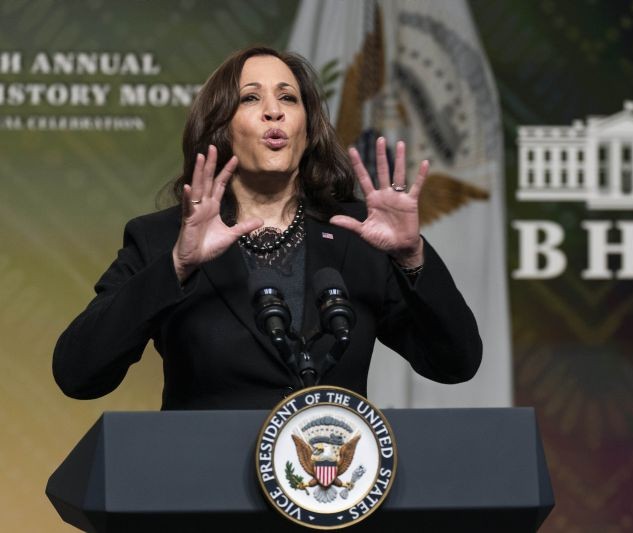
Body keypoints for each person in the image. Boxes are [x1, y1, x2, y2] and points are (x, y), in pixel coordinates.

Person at [53, 46, 481, 410]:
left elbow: (455, 363)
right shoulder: (163, 239)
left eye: (289, 98)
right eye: (250, 99)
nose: (274, 111)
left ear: (307, 129)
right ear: (221, 127)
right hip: (207, 491)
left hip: (332, 489)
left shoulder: (359, 235)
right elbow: (78, 373)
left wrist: (411, 257)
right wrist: (177, 266)